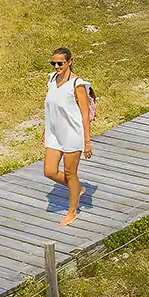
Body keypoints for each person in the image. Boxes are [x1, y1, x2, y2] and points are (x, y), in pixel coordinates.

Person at [42, 48, 93, 226]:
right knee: (49, 171)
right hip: (54, 134)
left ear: (69, 62)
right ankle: (77, 188)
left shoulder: (77, 84)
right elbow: (50, 108)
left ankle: (72, 211)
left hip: (73, 133)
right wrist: (46, 130)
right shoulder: (51, 79)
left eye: (60, 63)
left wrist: (87, 141)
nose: (56, 66)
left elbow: (85, 114)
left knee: (71, 174)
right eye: (53, 63)